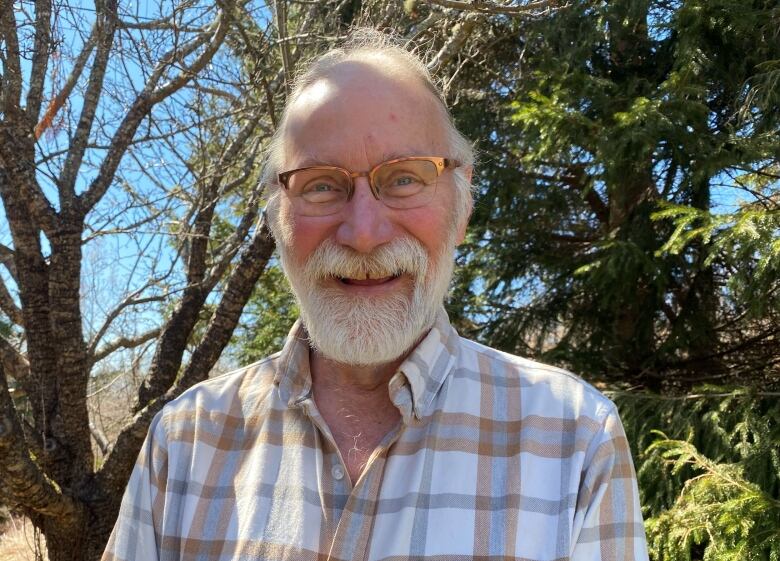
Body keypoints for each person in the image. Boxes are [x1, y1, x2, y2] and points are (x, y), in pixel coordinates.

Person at [103, 29, 649, 561]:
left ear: (462, 207)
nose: (363, 232)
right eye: (320, 184)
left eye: (405, 179)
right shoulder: (184, 443)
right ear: (277, 218)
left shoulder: (575, 440)